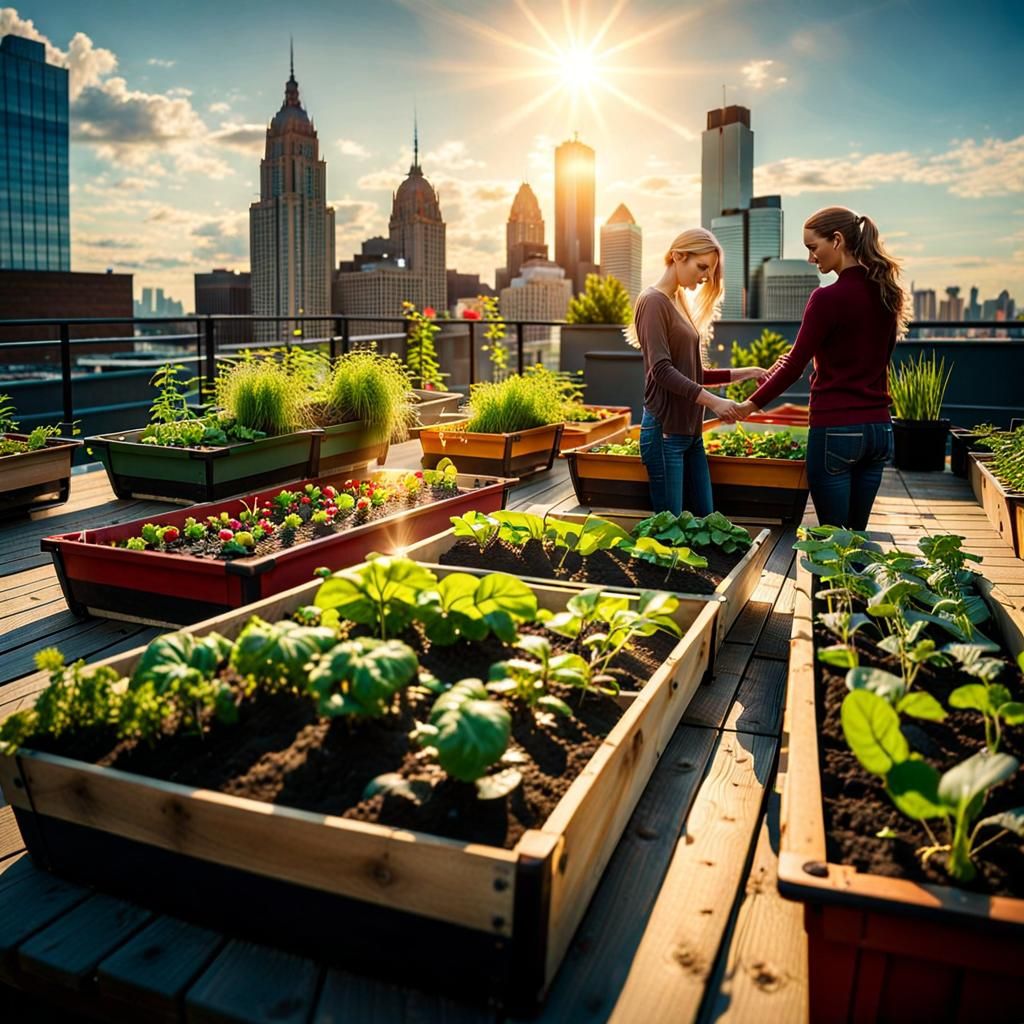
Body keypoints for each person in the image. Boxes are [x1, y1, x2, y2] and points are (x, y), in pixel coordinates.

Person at [733, 206, 910, 530]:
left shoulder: (827, 298)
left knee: (833, 542)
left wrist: (749, 406)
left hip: (837, 430)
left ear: (838, 240)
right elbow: (881, 358)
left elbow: (794, 366)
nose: (812, 259)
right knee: (855, 538)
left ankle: (834, 585)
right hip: (879, 430)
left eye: (813, 248)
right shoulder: (888, 294)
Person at [630, 228, 768, 516]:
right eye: (701, 267)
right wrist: (715, 402)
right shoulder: (653, 301)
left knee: (708, 520)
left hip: (690, 434)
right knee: (671, 532)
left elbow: (691, 373)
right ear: (678, 256)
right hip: (665, 433)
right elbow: (662, 371)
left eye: (709, 270)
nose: (705, 277)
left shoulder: (676, 301)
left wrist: (746, 372)